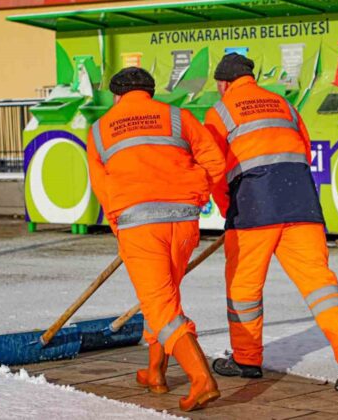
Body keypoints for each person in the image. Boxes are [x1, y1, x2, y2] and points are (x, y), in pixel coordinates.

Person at [204, 53, 338, 391]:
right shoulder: (282, 104)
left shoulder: (219, 111)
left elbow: (214, 167)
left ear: (223, 83)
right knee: (320, 286)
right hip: (301, 203)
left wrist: (229, 207)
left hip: (253, 207)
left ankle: (246, 360)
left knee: (244, 288)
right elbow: (304, 150)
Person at [87, 67, 225, 411]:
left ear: (117, 96)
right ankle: (155, 372)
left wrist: (121, 227)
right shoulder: (177, 117)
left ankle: (201, 379)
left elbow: (102, 187)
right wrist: (197, 194)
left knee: (160, 306)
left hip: (139, 226)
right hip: (183, 221)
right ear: (149, 92)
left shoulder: (100, 130)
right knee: (164, 298)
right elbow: (215, 161)